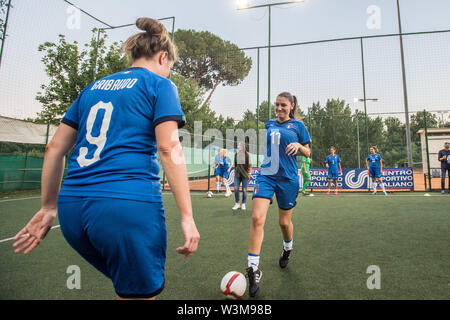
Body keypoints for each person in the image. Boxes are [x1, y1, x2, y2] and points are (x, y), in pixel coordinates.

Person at [12, 18, 200, 300]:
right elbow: (169, 147)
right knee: (138, 293)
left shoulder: (92, 88)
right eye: (170, 66)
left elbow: (54, 148)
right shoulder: (160, 86)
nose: (169, 73)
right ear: (163, 57)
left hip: (72, 211)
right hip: (125, 208)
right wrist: (187, 216)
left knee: (127, 290)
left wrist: (48, 206)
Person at [246, 92, 311, 298]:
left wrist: (299, 146)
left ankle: (287, 248)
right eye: (277, 105)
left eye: (283, 105)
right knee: (257, 218)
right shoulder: (269, 124)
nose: (279, 108)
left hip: (288, 179)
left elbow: (308, 152)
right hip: (266, 175)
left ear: (291, 106)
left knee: (284, 223)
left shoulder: (299, 127)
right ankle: (253, 269)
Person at [232, 142, 252, 211]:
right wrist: (235, 170)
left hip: (245, 174)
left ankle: (243, 203)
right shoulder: (236, 154)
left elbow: (250, 165)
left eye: (239, 145)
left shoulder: (247, 155)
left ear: (243, 146)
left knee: (244, 190)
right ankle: (237, 203)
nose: (238, 146)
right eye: (238, 145)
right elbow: (235, 164)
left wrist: (249, 173)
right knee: (236, 188)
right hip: (237, 174)